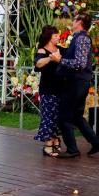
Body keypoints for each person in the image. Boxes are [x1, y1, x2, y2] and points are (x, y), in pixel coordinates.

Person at [51, 13, 99, 158]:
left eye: (75, 19)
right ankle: (96, 143)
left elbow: (80, 64)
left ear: (80, 22)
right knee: (76, 116)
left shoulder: (81, 38)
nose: (72, 21)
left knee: (64, 117)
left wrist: (60, 60)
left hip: (76, 83)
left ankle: (72, 149)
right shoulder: (79, 38)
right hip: (79, 82)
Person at [33, 26, 63, 157]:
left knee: (57, 117)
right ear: (49, 37)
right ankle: (48, 145)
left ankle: (56, 140)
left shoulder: (60, 49)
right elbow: (38, 63)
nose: (58, 37)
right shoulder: (42, 50)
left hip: (60, 89)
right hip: (48, 89)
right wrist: (51, 58)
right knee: (48, 117)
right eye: (56, 35)